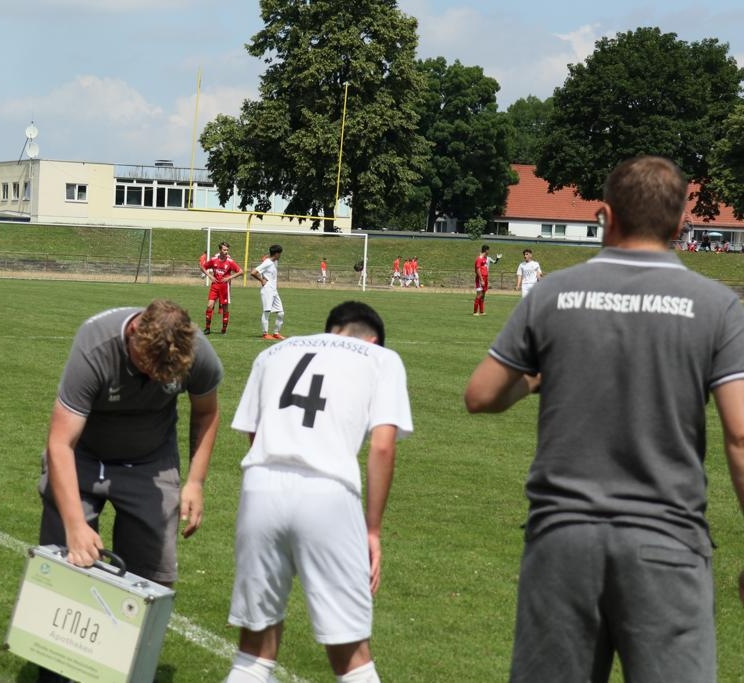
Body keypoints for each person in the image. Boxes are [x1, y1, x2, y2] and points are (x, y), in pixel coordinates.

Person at [464, 156, 744, 683]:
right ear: (680, 224)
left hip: (562, 541)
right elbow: (741, 432)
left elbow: (480, 395)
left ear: (605, 216)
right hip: (667, 540)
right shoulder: (716, 306)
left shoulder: (553, 293)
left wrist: (533, 380)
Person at [225, 301, 412, 683]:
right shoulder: (382, 359)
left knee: (252, 654)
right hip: (328, 492)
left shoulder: (273, 352)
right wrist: (372, 531)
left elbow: (254, 433)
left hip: (260, 486)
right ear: (372, 340)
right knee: (352, 655)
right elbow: (381, 447)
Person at [36, 299, 222, 682]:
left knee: (154, 576)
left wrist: (195, 481)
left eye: (163, 375)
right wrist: (75, 524)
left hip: (150, 460)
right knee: (69, 560)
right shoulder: (95, 344)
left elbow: (207, 411)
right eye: (146, 367)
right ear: (134, 333)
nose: (154, 379)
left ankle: (124, 669)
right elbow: (60, 443)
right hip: (82, 455)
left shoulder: (195, 351)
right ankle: (55, 670)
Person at [201, 241, 244, 334]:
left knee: (225, 308)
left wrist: (229, 277)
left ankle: (224, 329)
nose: (226, 251)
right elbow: (202, 267)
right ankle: (207, 328)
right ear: (220, 250)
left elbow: (241, 271)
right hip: (215, 286)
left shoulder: (230, 261)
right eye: (224, 250)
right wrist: (210, 276)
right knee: (209, 306)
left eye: (227, 250)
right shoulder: (213, 260)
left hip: (225, 287)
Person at [251, 244, 284, 340]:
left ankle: (276, 333)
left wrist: (266, 257)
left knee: (281, 313)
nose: (280, 255)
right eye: (280, 253)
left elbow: (268, 257)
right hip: (267, 290)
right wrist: (261, 280)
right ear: (277, 254)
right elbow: (253, 272)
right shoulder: (268, 263)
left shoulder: (274, 261)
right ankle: (265, 333)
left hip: (274, 291)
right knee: (267, 311)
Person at [472, 245, 501, 316]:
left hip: (485, 278)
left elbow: (485, 267)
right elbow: (478, 270)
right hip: (480, 279)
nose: (489, 252)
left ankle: (481, 311)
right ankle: (475, 312)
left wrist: (497, 259)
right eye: (488, 250)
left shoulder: (485, 258)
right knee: (479, 294)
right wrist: (481, 279)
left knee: (483, 295)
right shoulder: (479, 258)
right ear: (486, 250)